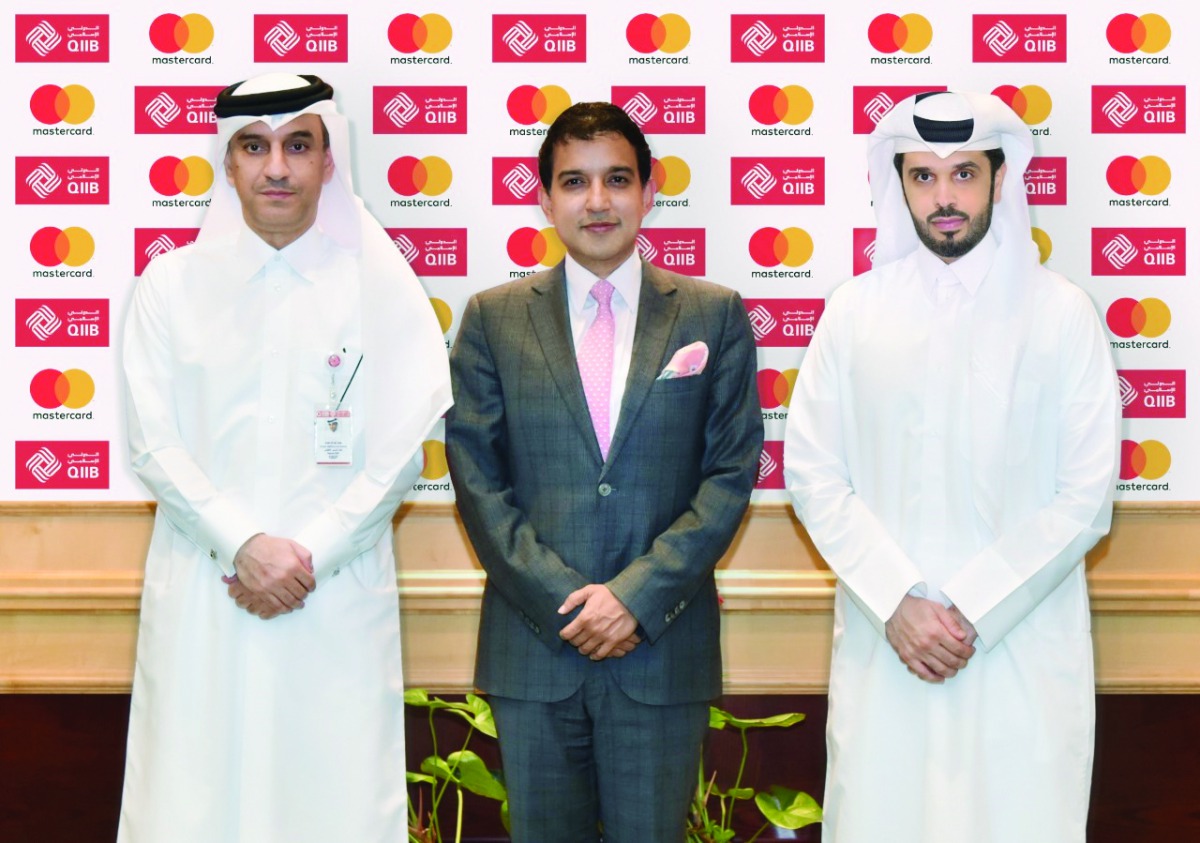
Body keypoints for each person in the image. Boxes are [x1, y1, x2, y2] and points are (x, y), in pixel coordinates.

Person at [118, 73, 451, 842]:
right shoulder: (169, 286)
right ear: (226, 164)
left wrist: (310, 553)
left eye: (298, 145)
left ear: (328, 162)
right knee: (192, 801)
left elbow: (402, 452)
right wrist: (244, 544)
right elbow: (153, 444)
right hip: (210, 588)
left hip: (330, 596)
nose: (277, 167)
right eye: (255, 147)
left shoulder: (382, 287)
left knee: (328, 800)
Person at [784, 90, 1120, 843]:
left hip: (1020, 657)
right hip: (887, 649)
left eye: (964, 173)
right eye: (923, 176)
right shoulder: (853, 312)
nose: (944, 197)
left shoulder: (1063, 313)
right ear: (896, 183)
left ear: (1002, 181)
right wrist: (899, 599)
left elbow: (1086, 497)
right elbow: (812, 474)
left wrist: (971, 607)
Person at [445, 102, 763, 842]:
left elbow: (729, 473)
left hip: (661, 650)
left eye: (617, 180)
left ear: (650, 191)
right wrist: (568, 601)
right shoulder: (492, 319)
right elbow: (478, 479)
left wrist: (634, 598)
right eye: (575, 182)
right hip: (535, 650)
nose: (597, 201)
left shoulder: (712, 316)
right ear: (543, 196)